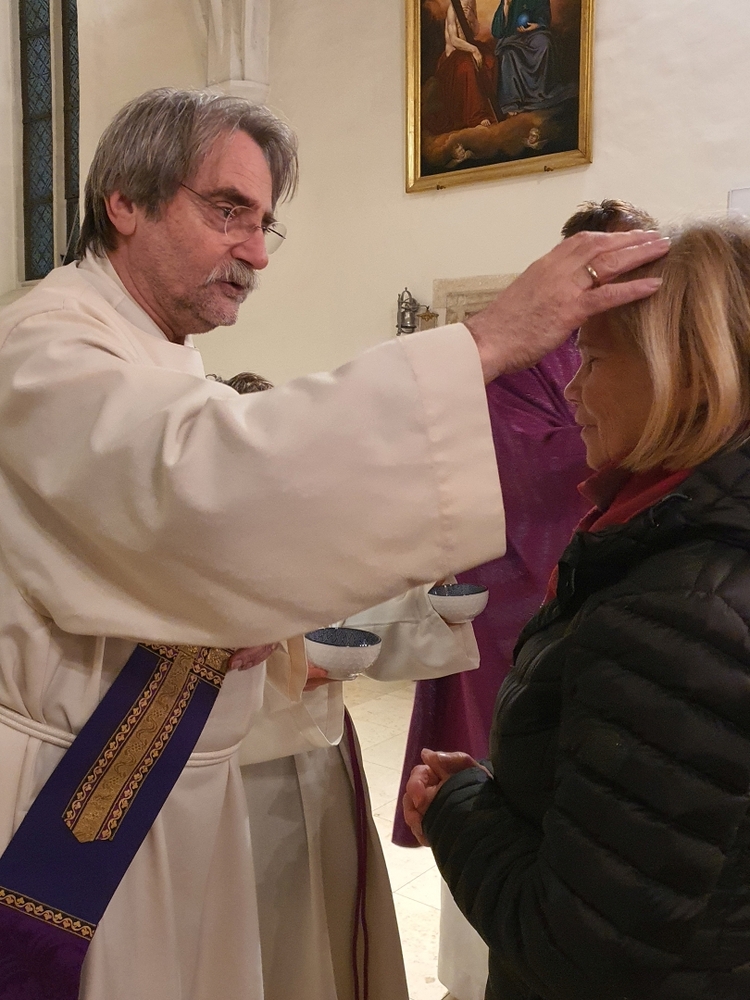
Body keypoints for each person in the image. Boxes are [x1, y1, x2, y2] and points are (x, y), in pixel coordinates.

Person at [0, 84, 668, 1000]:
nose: (254, 252)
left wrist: (236, 618)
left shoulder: (153, 350)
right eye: (226, 210)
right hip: (73, 799)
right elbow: (202, 489)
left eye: (263, 223)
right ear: (124, 202)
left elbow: (166, 548)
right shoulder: (46, 344)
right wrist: (482, 342)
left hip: (160, 787)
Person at [405, 216, 750, 1000]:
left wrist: (456, 809)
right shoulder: (687, 554)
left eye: (593, 359)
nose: (570, 387)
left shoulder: (679, 613)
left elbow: (578, 948)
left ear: (688, 377)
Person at [393, 197, 659, 1000]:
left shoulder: (652, 343)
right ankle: (472, 962)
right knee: (499, 770)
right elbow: (504, 459)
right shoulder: (523, 358)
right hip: (508, 594)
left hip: (614, 581)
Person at [216, 371, 479, 1000]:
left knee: (330, 924)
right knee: (265, 937)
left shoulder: (308, 537)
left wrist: (430, 602)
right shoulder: (187, 553)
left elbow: (355, 623)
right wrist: (278, 674)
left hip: (319, 755)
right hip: (237, 770)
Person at [491, 0, 574, 117]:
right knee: (508, 54)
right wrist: (506, 6)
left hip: (534, 33)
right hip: (512, 37)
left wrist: (537, 25)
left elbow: (544, 16)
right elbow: (497, 31)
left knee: (544, 44)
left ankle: (541, 93)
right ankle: (511, 102)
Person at [426, 0, 496, 134]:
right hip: (453, 57)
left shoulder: (471, 3)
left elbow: (474, 32)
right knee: (467, 67)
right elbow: (454, 40)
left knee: (490, 60)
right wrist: (474, 50)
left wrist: (471, 18)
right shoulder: (453, 8)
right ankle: (475, 116)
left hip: (467, 50)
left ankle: (489, 109)